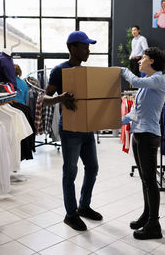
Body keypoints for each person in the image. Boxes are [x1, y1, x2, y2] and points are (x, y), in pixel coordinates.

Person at [43, 31, 102, 231]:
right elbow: (44, 99)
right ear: (73, 48)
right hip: (70, 130)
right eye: (85, 47)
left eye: (89, 46)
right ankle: (71, 214)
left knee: (92, 168)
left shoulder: (86, 72)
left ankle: (84, 206)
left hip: (87, 128)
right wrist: (61, 98)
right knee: (70, 171)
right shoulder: (60, 70)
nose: (88, 50)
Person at [121, 47, 165, 240]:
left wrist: (121, 70)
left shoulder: (158, 79)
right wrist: (121, 120)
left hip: (149, 136)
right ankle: (147, 216)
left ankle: (154, 225)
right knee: (144, 180)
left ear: (152, 61)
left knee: (150, 181)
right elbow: (137, 112)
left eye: (143, 58)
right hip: (139, 134)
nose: (139, 61)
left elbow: (134, 79)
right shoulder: (145, 86)